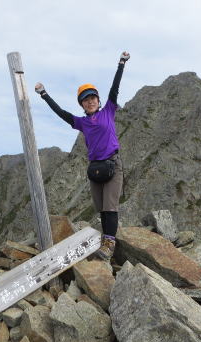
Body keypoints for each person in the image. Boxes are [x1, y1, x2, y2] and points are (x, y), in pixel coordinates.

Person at [35, 51, 130, 261]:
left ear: (98, 99)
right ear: (82, 104)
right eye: (85, 100)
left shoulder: (109, 110)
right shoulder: (81, 122)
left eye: (93, 97)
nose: (90, 102)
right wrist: (44, 94)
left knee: (110, 205)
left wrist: (121, 63)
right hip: (95, 168)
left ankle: (108, 244)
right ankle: (107, 240)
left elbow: (115, 87)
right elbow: (61, 113)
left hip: (114, 164)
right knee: (101, 207)